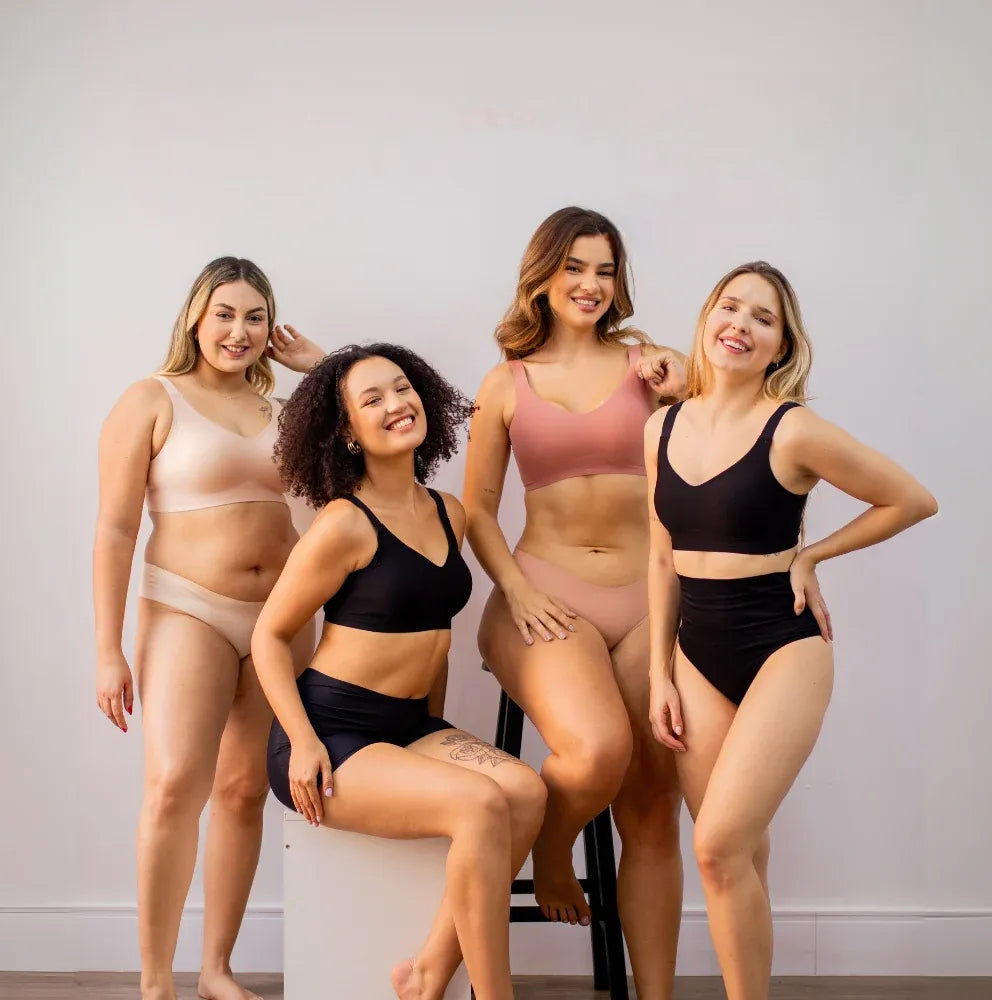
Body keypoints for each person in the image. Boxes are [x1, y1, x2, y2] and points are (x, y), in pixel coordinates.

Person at [646, 260, 938, 999]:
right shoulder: (661, 426)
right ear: (707, 316)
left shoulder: (793, 428)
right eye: (730, 306)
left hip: (783, 643)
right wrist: (658, 673)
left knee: (716, 847)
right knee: (736, 855)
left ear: (782, 345)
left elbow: (910, 499)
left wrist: (813, 553)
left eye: (763, 318)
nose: (740, 325)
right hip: (695, 652)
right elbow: (660, 557)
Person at [254, 344, 547, 1000]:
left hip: (409, 724)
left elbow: (434, 638)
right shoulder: (343, 524)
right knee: (478, 803)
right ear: (347, 433)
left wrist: (436, 732)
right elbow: (269, 636)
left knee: (526, 792)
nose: (396, 403)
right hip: (330, 732)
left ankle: (427, 973)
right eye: (373, 400)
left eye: (402, 387)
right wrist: (302, 741)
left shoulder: (449, 512)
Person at [463, 206, 688, 997]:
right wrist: (517, 590)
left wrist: (681, 390)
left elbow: (712, 454)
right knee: (595, 754)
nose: (591, 284)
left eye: (606, 270)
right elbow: (476, 511)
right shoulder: (505, 383)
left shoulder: (650, 368)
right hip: (546, 594)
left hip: (651, 598)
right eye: (576, 267)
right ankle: (551, 847)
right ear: (543, 275)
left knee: (653, 808)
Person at [93, 256, 325, 1000]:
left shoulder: (286, 410)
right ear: (195, 316)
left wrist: (320, 370)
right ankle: (155, 980)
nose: (239, 331)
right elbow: (115, 531)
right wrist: (107, 650)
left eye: (256, 317)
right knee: (172, 788)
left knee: (243, 791)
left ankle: (215, 970)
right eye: (224, 313)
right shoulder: (151, 399)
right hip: (187, 607)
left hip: (281, 619)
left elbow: (356, 462)